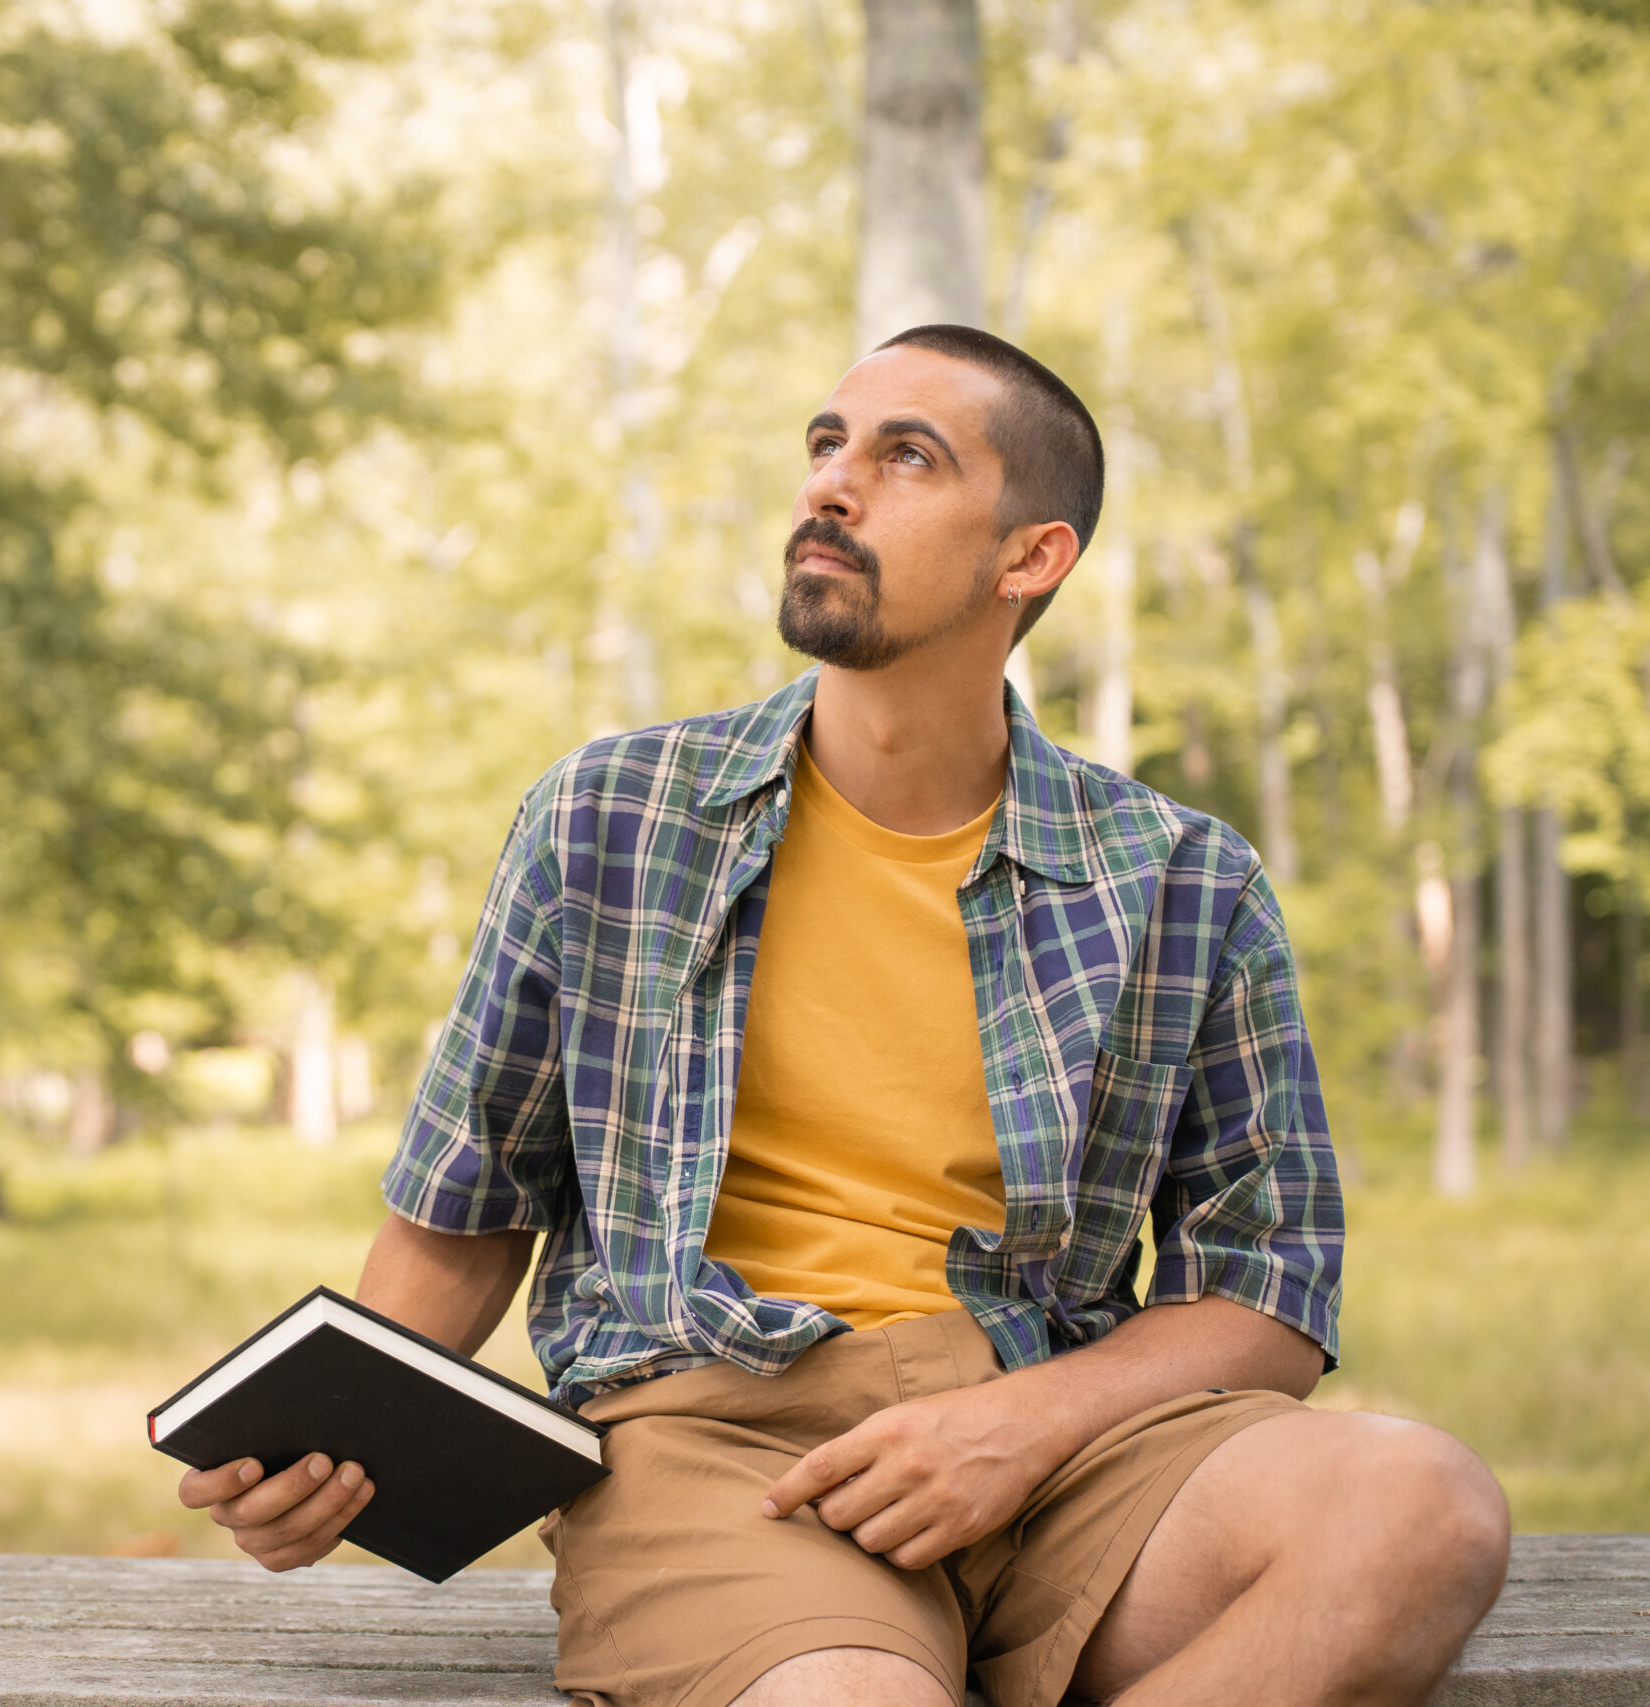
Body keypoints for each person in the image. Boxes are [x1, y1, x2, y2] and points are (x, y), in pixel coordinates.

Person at [178, 325, 1510, 1707]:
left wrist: (1017, 1427)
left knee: (1423, 1510)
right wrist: (326, 1441)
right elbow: (468, 1211)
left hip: (1061, 1437)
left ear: (1030, 557)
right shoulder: (611, 818)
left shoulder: (1180, 880)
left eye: (905, 457)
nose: (832, 484)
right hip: (727, 1451)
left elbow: (1267, 1291)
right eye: (826, 444)